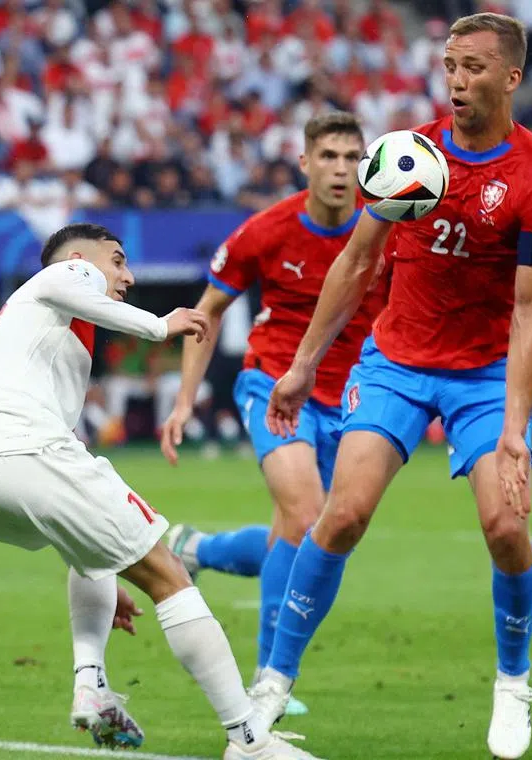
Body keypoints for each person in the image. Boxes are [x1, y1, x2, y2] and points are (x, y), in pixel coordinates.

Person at [252, 14, 532, 760]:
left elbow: (531, 314)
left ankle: (513, 681)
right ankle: (273, 678)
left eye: (473, 68)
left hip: (487, 372)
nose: (456, 81)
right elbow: (358, 262)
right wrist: (302, 363)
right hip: (396, 360)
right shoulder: (408, 156)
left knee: (505, 527)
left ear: (511, 79)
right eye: (449, 65)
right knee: (342, 516)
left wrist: (515, 432)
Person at [0, 223, 318, 760]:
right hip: (19, 447)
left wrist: (102, 557)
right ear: (78, 258)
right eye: (116, 261)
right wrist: (160, 326)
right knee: (169, 573)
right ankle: (248, 739)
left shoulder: (33, 333)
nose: (127, 275)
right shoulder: (66, 272)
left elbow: (56, 476)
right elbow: (78, 286)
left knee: (96, 559)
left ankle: (90, 682)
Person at [158, 112, 387, 717]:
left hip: (353, 397)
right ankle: (268, 678)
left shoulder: (385, 227)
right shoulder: (268, 230)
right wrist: (184, 401)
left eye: (351, 158)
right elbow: (206, 315)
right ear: (305, 162)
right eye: (329, 156)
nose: (340, 169)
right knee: (306, 512)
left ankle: (197, 549)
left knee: (312, 535)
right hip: (272, 383)